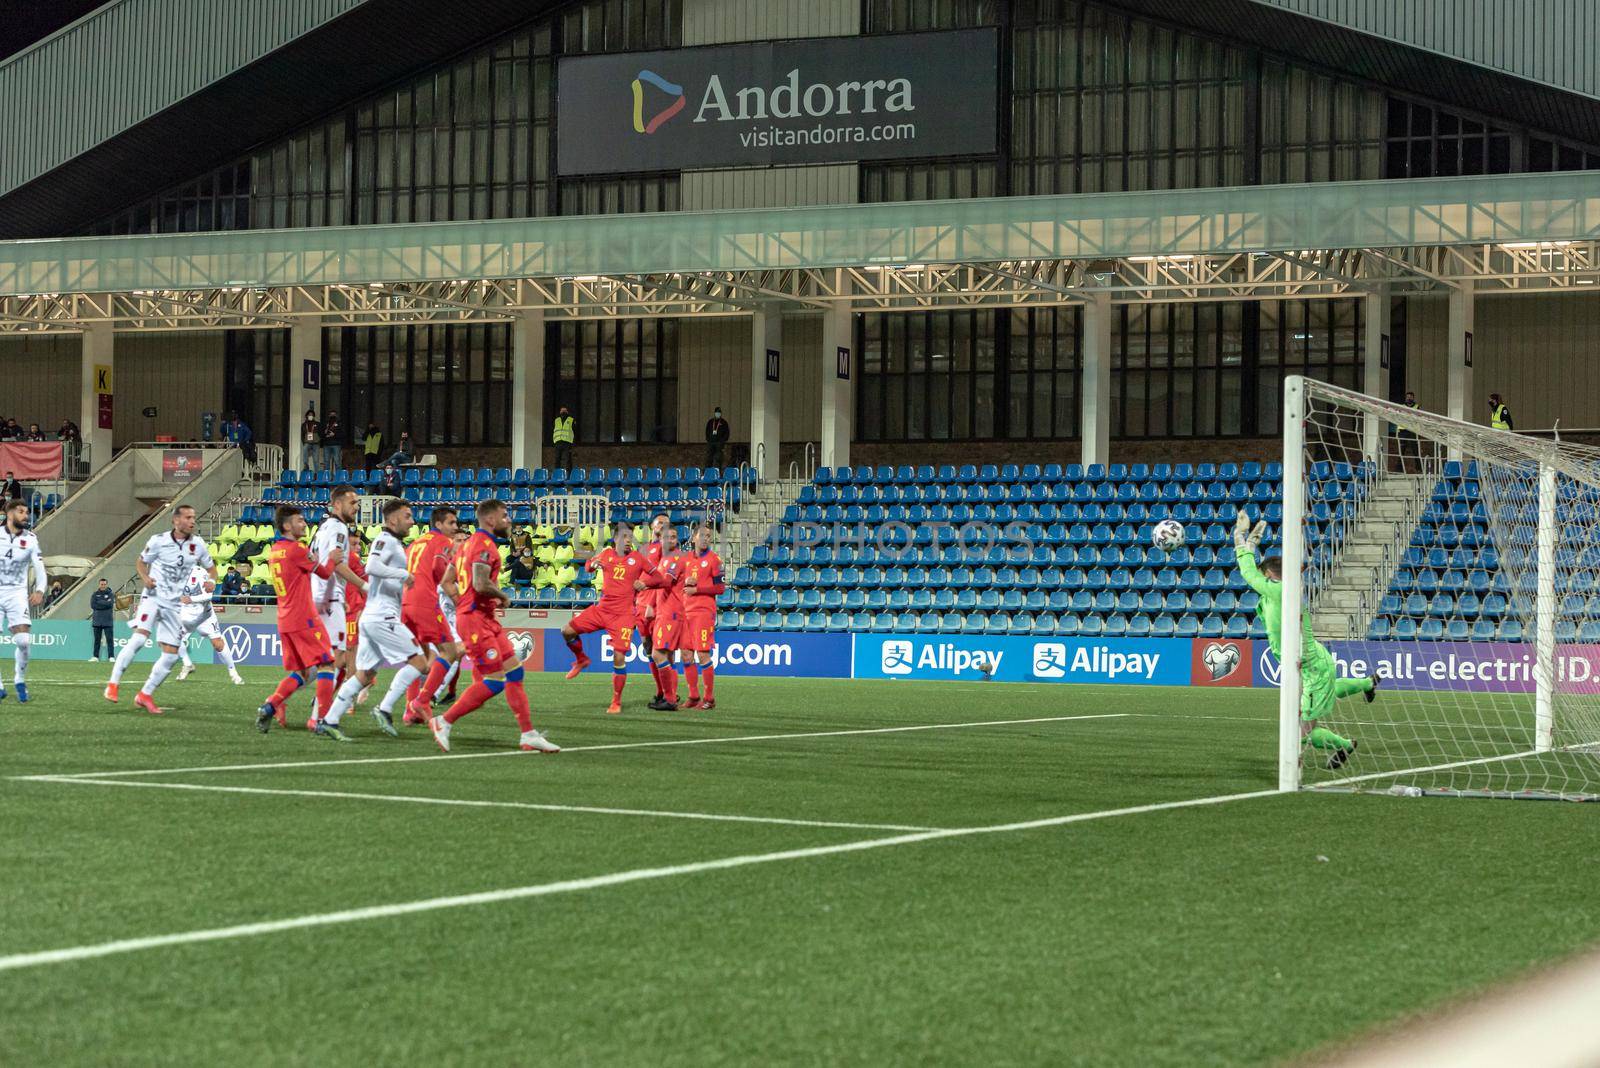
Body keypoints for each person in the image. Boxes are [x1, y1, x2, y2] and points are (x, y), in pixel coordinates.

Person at [1234, 509, 1374, 770]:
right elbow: (1253, 573)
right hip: (1307, 662)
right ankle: (1367, 683)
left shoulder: (1280, 592)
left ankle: (1343, 746)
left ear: (1268, 576)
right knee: (1317, 699)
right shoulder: (1278, 590)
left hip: (1309, 668)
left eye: (1261, 576)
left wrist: (1239, 537)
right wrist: (1252, 543)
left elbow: (1247, 573)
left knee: (1304, 730)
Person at [427, 498, 559, 753]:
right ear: (490, 519)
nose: (508, 520)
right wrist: (502, 596)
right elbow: (479, 583)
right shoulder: (483, 544)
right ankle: (443, 721)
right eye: (504, 515)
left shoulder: (465, 546)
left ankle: (528, 734)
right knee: (495, 681)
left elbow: (447, 581)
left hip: (483, 618)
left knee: (515, 672)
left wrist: (461, 602)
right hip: (476, 620)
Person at [320, 499, 435, 741]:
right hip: (382, 616)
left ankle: (329, 720)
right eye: (407, 516)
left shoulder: (393, 543)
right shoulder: (385, 540)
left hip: (374, 615)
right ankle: (384, 708)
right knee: (420, 661)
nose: (412, 521)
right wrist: (403, 574)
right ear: (393, 520)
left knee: (365, 673)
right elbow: (372, 566)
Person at [253, 505, 343, 735]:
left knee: (304, 673)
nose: (304, 524)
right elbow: (324, 573)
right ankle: (322, 719)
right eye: (300, 521)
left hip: (285, 618)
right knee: (327, 663)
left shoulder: (275, 550)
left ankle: (270, 705)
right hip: (304, 616)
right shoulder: (297, 550)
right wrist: (331, 558)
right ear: (287, 526)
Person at [126, 505, 217, 716]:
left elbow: (212, 569)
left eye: (194, 517)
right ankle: (116, 683)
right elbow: (141, 562)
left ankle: (145, 693)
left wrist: (211, 580)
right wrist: (146, 579)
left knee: (171, 655)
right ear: (176, 520)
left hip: (177, 607)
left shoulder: (197, 546)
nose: (193, 521)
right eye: (188, 517)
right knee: (140, 639)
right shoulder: (160, 541)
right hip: (156, 600)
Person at [561, 520, 657, 715]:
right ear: (615, 539)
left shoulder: (638, 558)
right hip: (602, 610)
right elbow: (588, 566)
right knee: (566, 631)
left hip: (623, 615)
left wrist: (644, 583)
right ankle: (581, 659)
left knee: (619, 657)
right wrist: (591, 564)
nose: (629, 540)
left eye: (631, 537)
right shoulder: (606, 554)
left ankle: (616, 702)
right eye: (624, 536)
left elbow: (659, 577)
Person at [309, 485, 367, 730]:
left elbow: (314, 559)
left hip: (321, 596)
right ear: (337, 504)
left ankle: (285, 701)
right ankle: (318, 717)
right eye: (352, 503)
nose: (356, 507)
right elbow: (337, 564)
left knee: (332, 659)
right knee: (334, 661)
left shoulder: (322, 528)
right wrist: (363, 585)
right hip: (330, 600)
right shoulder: (338, 528)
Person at [400, 506, 462, 723]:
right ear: (438, 524)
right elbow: (439, 568)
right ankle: (423, 700)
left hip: (406, 602)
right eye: (451, 523)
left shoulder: (415, 543)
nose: (455, 527)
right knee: (450, 651)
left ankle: (410, 711)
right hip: (425, 602)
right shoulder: (443, 542)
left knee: (419, 658)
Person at [0, 497, 46, 703]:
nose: (25, 516)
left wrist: (40, 590)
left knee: (24, 641)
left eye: (26, 512)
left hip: (17, 593)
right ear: (9, 514)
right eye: (21, 512)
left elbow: (39, 567)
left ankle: (19, 679)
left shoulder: (31, 539)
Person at [679, 522, 724, 709]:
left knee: (703, 654)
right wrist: (685, 580)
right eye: (703, 535)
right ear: (694, 537)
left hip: (703, 612)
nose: (706, 539)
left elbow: (720, 588)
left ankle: (709, 698)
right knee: (686, 655)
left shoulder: (715, 560)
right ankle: (693, 696)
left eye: (708, 536)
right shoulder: (685, 559)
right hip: (685, 611)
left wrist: (697, 589)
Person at [175, 564, 244, 685]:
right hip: (187, 614)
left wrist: (191, 599)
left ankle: (233, 672)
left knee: (218, 644)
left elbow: (209, 595)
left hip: (204, 615)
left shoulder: (200, 573)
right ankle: (187, 664)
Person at [646, 525, 687, 710]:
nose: (671, 540)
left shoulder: (676, 558)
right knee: (668, 656)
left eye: (674, 537)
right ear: (660, 540)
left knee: (657, 653)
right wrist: (652, 606)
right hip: (665, 611)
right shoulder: (664, 559)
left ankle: (670, 699)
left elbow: (666, 582)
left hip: (671, 612)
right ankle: (670, 697)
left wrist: (644, 584)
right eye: (667, 537)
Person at [89, 578, 115, 663]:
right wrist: (104, 603)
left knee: (109, 640)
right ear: (99, 585)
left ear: (106, 585)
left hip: (108, 620)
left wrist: (99, 602)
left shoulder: (110, 594)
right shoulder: (95, 594)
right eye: (101, 584)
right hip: (97, 620)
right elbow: (93, 605)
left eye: (104, 584)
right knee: (97, 640)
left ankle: (111, 656)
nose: (103, 586)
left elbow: (110, 604)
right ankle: (95, 656)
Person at [1395, 391, 1421, 473]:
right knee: (1401, 451)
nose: (1409, 398)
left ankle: (1419, 469)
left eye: (1410, 397)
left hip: (1413, 430)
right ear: (1405, 398)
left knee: (1415, 450)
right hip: (1403, 430)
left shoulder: (1417, 407)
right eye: (1407, 397)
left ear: (1413, 398)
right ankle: (1399, 470)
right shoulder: (1401, 407)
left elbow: (1419, 418)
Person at [551, 406, 575, 472]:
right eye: (562, 410)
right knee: (557, 459)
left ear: (567, 412)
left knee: (568, 460)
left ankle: (569, 474)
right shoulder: (556, 420)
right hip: (558, 442)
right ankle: (557, 474)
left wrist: (573, 442)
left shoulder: (571, 420)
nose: (563, 412)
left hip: (567, 442)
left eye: (564, 410)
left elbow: (574, 431)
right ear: (560, 412)